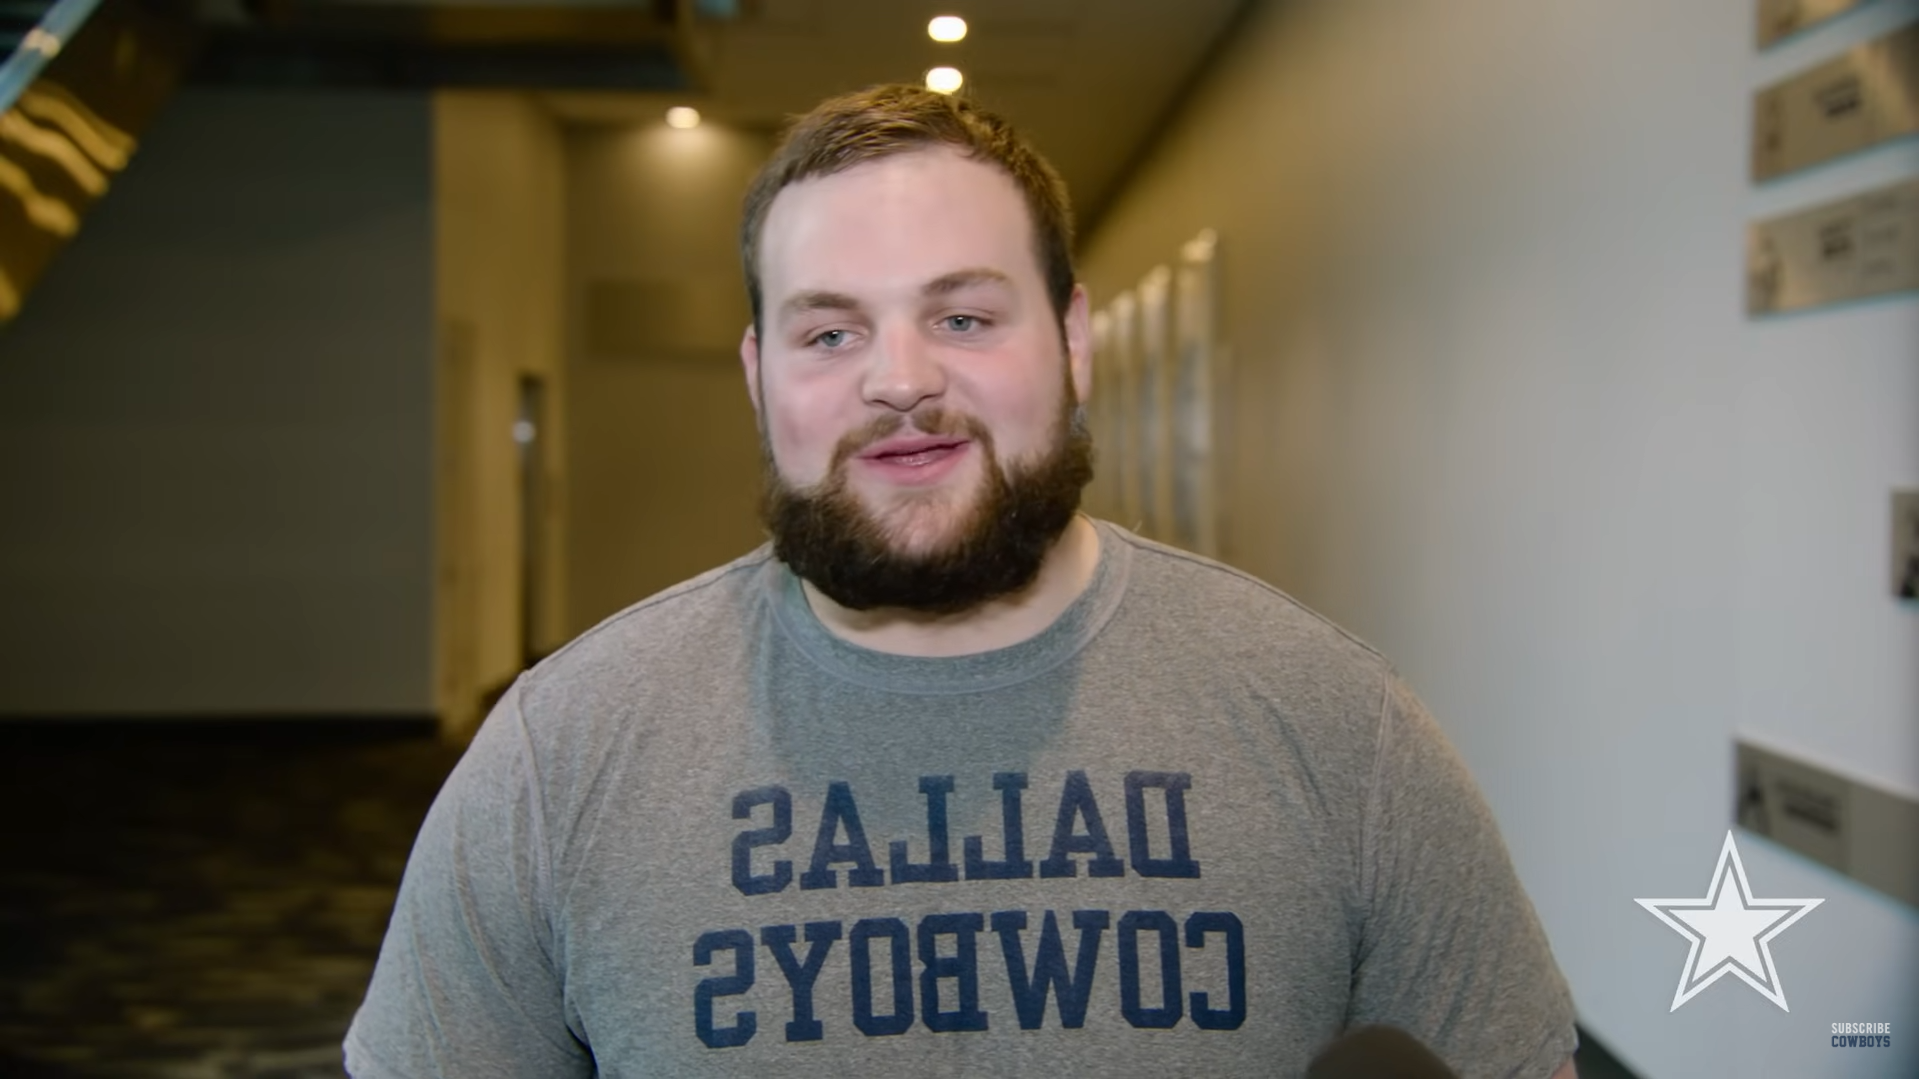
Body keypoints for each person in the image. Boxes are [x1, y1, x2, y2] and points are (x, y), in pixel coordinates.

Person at [345, 84, 1580, 1078]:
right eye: (830, 332)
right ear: (758, 374)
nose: (898, 379)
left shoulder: (1334, 722)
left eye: (963, 318)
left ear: (1072, 341)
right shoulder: (561, 751)